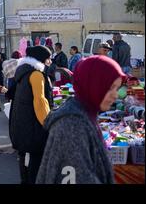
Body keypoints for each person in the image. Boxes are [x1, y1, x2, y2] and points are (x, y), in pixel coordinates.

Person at [36, 56, 124, 184]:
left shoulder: (85, 115)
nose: (115, 95)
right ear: (95, 85)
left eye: (117, 88)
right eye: (110, 87)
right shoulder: (73, 125)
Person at [9, 45, 53, 184]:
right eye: (48, 59)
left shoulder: (23, 72)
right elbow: (40, 102)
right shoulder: (36, 75)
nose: (49, 62)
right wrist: (48, 124)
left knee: (25, 162)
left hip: (22, 124)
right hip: (33, 128)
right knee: (34, 165)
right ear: (41, 59)